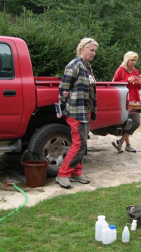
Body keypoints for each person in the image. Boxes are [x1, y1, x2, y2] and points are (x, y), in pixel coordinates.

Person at [55, 38, 98, 189]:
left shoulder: (87, 66)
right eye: (91, 50)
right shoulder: (75, 64)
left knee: (82, 144)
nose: (94, 53)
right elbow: (63, 87)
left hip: (85, 111)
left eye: (95, 51)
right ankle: (63, 174)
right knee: (79, 143)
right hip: (75, 111)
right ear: (82, 49)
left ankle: (76, 172)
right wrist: (62, 103)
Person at [112, 51, 141, 152]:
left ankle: (121, 142)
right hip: (124, 100)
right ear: (127, 60)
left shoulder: (136, 71)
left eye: (135, 60)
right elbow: (113, 84)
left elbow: (139, 87)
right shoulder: (121, 70)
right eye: (132, 60)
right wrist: (126, 81)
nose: (134, 62)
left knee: (135, 122)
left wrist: (139, 83)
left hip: (135, 100)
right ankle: (126, 144)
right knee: (131, 123)